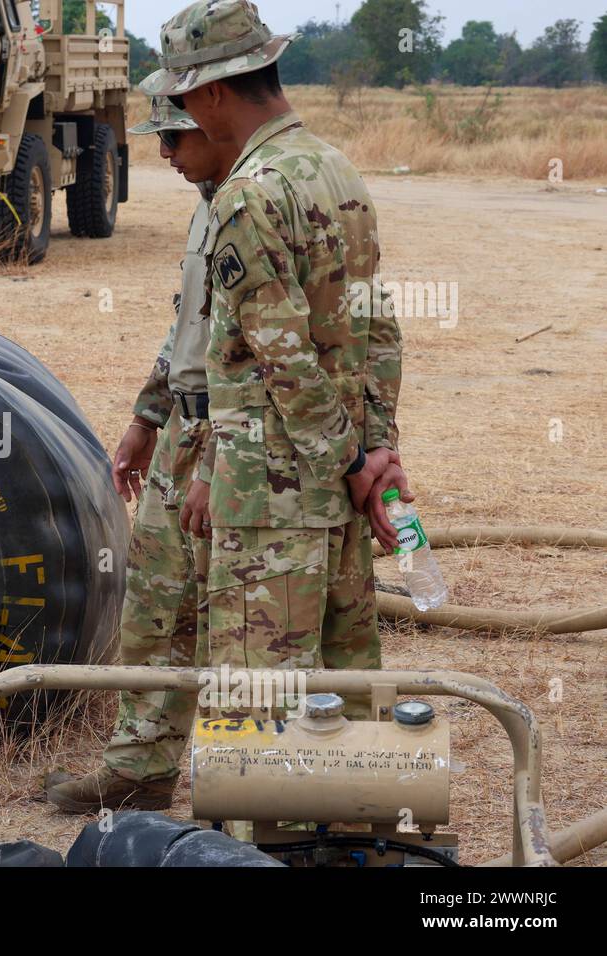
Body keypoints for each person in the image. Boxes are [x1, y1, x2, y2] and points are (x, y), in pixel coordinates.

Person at [141, 0, 410, 722]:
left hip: (271, 499)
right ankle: (347, 832)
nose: (179, 110)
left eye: (183, 95)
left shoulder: (247, 194)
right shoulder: (334, 169)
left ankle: (274, 840)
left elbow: (279, 355)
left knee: (260, 718)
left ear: (214, 92)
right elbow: (377, 325)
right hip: (338, 490)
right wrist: (375, 450)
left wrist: (352, 463)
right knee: (345, 704)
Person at [44, 96, 238, 813]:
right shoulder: (213, 204)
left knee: (234, 627)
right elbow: (189, 330)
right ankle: (139, 771)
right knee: (154, 604)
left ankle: (245, 795)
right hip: (184, 435)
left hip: (237, 444)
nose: (163, 155)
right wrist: (146, 418)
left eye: (175, 138)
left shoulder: (266, 200)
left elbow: (271, 360)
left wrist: (220, 464)